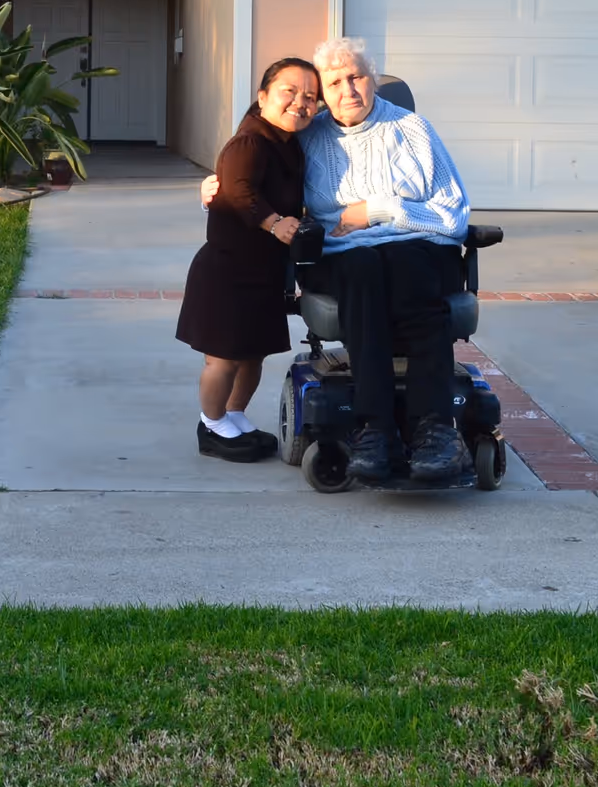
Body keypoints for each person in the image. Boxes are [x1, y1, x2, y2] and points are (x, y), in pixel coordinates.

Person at [201, 38, 471, 481]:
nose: (348, 89)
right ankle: (374, 429)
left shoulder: (413, 129)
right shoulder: (309, 135)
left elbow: (454, 213)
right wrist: (214, 187)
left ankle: (435, 430)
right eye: (334, 81)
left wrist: (380, 211)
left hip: (417, 243)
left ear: (374, 81)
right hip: (345, 253)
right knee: (362, 272)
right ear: (323, 92)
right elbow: (250, 165)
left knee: (411, 271)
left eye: (357, 77)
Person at [176, 57, 321, 462]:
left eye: (310, 97)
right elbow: (238, 190)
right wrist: (275, 223)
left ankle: (233, 416)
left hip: (264, 271)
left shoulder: (288, 144)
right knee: (223, 357)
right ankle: (212, 423)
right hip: (228, 270)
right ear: (262, 97)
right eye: (289, 92)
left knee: (252, 353)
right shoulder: (251, 141)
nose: (300, 102)